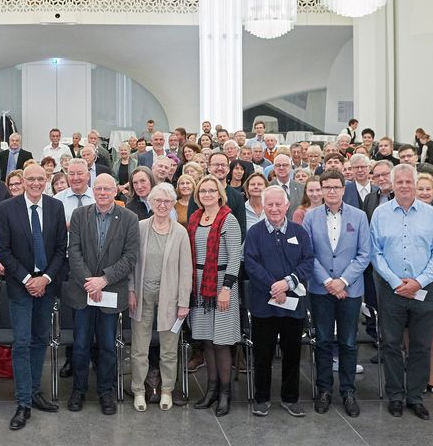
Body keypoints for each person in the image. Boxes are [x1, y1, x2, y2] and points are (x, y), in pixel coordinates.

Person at [0, 164, 68, 430]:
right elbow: (3, 250)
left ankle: (35, 391)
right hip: (20, 287)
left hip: (46, 286)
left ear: (46, 180)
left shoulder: (55, 207)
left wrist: (45, 279)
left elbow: (61, 248)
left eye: (41, 178)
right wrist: (27, 279)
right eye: (31, 179)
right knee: (22, 342)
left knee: (40, 340)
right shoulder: (6, 208)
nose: (36, 183)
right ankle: (23, 402)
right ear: (21, 181)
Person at [370, 163, 433, 419]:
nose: (404, 185)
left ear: (415, 184)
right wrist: (395, 282)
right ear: (392, 184)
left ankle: (414, 396)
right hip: (391, 291)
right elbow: (375, 253)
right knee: (391, 344)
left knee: (421, 346)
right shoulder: (380, 214)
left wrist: (419, 282)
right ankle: (395, 396)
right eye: (399, 182)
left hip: (424, 291)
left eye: (408, 181)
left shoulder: (432, 215)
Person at [64, 174, 139, 415]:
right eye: (99, 188)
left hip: (111, 291)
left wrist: (104, 280)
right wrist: (90, 282)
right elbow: (73, 251)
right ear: (92, 190)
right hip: (83, 290)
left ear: (116, 191)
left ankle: (106, 392)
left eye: (107, 188)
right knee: (81, 345)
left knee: (107, 345)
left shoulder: (129, 218)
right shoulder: (79, 215)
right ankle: (79, 390)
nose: (103, 192)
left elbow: (130, 257)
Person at [302, 169, 371, 417]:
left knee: (349, 342)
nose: (331, 191)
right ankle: (324, 390)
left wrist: (342, 281)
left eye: (336, 187)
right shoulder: (310, 217)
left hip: (350, 290)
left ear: (343, 189)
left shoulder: (359, 216)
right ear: (320, 190)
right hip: (320, 290)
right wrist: (328, 282)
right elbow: (308, 254)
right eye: (326, 187)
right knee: (322, 341)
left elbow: (365, 254)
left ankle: (348, 391)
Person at [244, 186, 314, 417]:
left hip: (293, 304)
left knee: (292, 353)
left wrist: (287, 284)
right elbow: (251, 264)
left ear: (287, 206)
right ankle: (262, 398)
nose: (274, 209)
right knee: (262, 354)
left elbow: (307, 262)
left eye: (278, 204)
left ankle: (290, 398)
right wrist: (274, 287)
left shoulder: (299, 232)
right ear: (263, 206)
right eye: (269, 205)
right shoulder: (254, 233)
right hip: (264, 304)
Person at [129, 183, 191, 412]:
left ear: (173, 204)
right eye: (158, 201)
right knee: (139, 348)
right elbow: (131, 263)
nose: (162, 205)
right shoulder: (139, 227)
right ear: (151, 203)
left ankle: (166, 390)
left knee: (168, 348)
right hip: (142, 295)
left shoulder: (180, 232)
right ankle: (138, 390)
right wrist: (131, 290)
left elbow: (186, 270)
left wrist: (184, 302)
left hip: (170, 297)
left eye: (167, 201)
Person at [186, 175, 242, 416]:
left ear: (220, 193)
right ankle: (210, 390)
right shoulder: (195, 218)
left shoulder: (228, 220)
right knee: (206, 340)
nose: (207, 194)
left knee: (221, 342)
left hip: (221, 285)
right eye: (203, 191)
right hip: (199, 284)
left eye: (211, 190)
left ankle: (225, 394)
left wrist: (226, 289)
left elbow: (235, 258)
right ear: (198, 196)